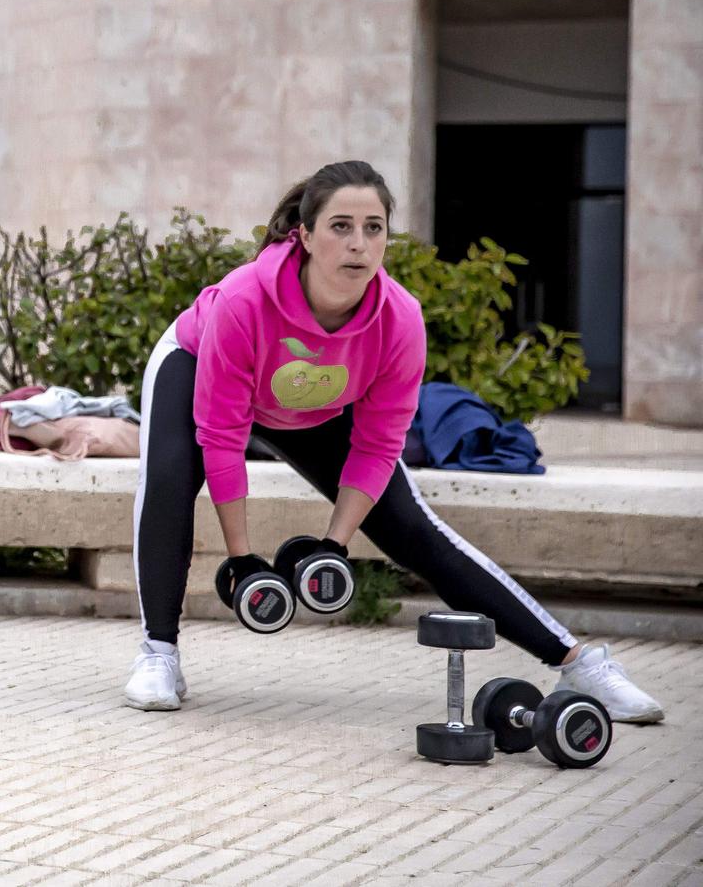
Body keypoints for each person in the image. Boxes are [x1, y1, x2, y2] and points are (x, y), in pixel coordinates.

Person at [123, 160, 665, 724]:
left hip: (314, 405)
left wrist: (333, 544)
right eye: (340, 226)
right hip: (195, 367)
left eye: (373, 227)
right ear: (304, 236)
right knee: (168, 481)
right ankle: (158, 654)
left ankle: (579, 662)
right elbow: (222, 436)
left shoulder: (400, 320)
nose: (359, 243)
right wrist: (242, 561)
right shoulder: (243, 301)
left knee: (411, 528)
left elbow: (379, 446)